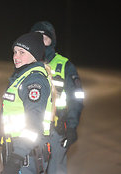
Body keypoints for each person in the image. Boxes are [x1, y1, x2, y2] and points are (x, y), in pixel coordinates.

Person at [30, 21, 84, 174]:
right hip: (32, 128)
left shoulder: (64, 65)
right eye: (37, 36)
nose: (41, 41)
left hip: (57, 129)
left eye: (45, 37)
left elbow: (77, 97)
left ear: (51, 41)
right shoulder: (25, 63)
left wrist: (72, 126)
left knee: (55, 170)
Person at [0, 32, 54, 174]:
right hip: (18, 148)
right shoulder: (22, 77)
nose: (16, 56)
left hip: (27, 153)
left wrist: (17, 158)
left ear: (34, 55)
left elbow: (34, 124)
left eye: (21, 52)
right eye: (15, 52)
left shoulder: (34, 81)